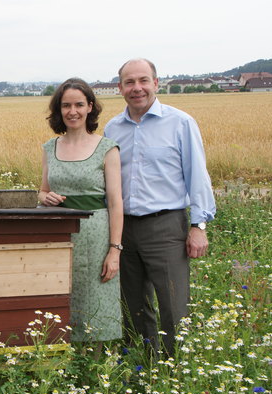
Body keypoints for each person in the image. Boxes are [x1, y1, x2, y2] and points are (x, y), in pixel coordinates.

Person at [104, 58, 216, 357]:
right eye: (129, 82)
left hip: (166, 227)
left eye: (143, 81)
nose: (136, 88)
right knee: (132, 305)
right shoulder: (112, 128)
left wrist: (198, 226)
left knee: (172, 304)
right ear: (120, 88)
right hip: (124, 229)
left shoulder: (180, 123)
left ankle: (173, 370)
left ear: (156, 83)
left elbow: (198, 176)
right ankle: (141, 365)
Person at [39, 78, 124, 346]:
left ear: (90, 107)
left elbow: (115, 202)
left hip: (96, 237)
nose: (72, 111)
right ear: (58, 110)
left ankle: (96, 368)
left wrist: (114, 250)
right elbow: (41, 191)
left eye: (78, 104)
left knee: (95, 299)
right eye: (66, 105)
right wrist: (44, 197)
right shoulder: (50, 148)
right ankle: (61, 363)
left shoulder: (106, 148)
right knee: (59, 298)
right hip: (57, 236)